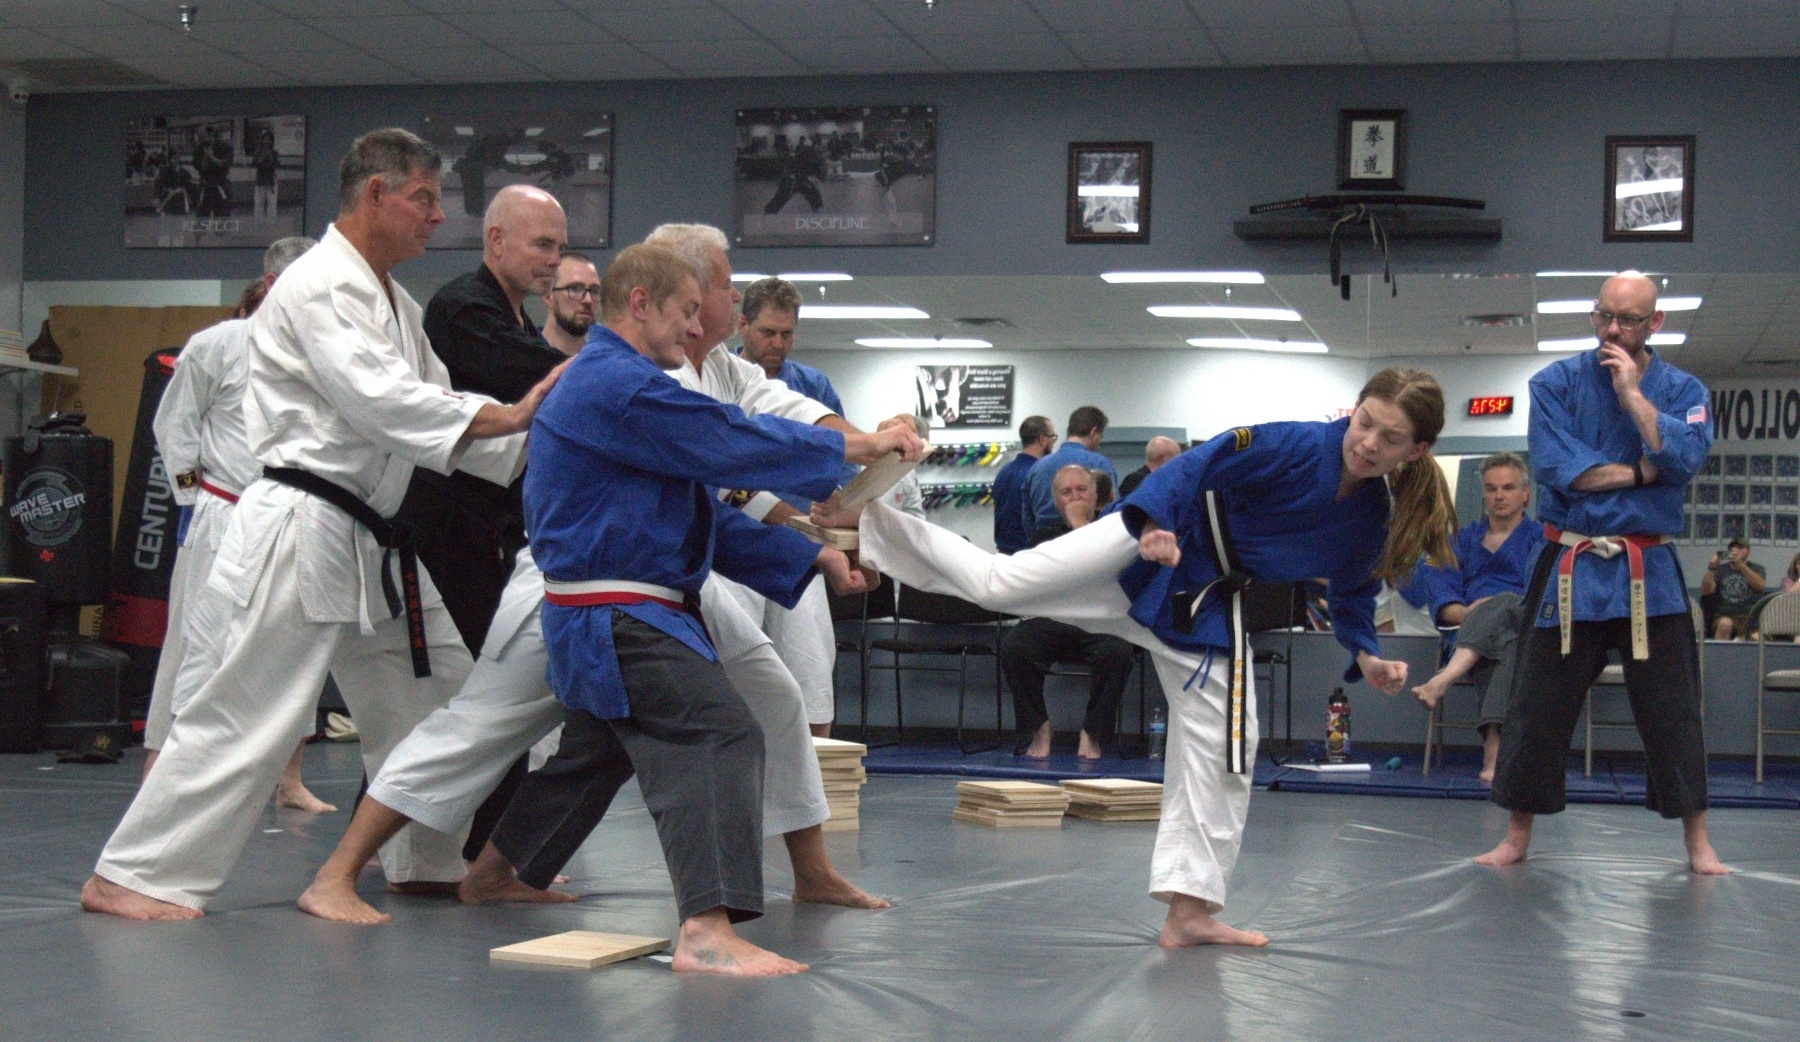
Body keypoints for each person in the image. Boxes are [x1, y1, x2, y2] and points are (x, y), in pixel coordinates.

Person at [300, 244, 918, 973]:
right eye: (687, 311)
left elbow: (696, 517)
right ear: (641, 304)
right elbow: (725, 437)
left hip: (618, 607)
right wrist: (854, 445)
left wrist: (807, 557)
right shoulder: (615, 384)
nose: (697, 329)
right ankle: (706, 931)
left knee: (596, 753)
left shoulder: (632, 384)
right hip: (610, 612)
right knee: (715, 732)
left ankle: (493, 872)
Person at [80, 129, 562, 923]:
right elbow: (382, 401)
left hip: (376, 538)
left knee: (441, 695)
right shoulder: (319, 285)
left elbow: (441, 411)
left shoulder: (395, 303)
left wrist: (532, 441)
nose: (437, 217)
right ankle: (134, 874)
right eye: (424, 198)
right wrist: (508, 414)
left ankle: (426, 859)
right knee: (249, 706)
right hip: (304, 524)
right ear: (375, 193)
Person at [818, 367, 1453, 948]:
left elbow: (1352, 589)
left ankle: (1189, 911)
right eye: (1365, 422)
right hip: (1143, 546)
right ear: (1354, 410)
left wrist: (1368, 655)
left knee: (1229, 747)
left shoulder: (1370, 516)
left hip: (1204, 604)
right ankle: (867, 523)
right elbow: (1196, 464)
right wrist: (1152, 523)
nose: (1368, 442)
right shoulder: (1295, 444)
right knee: (1003, 585)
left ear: (1416, 450)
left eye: (1390, 438)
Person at [1480, 271, 1726, 876]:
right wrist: (1644, 472)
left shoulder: (1685, 389)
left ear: (1654, 323)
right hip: (1568, 561)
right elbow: (1560, 470)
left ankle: (1698, 842)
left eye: (1629, 320)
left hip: (1650, 568)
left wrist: (1634, 397)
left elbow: (1686, 460)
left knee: (1674, 709)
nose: (1612, 330)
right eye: (1603, 316)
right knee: (1537, 704)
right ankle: (1516, 835)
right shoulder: (1554, 383)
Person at [391, 184, 570, 859]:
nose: (553, 260)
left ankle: (471, 855)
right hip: (438, 534)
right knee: (485, 698)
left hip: (482, 531)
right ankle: (478, 856)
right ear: (496, 240)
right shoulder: (463, 308)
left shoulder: (512, 319)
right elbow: (534, 377)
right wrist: (619, 369)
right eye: (542, 244)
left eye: (559, 247)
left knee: (482, 699)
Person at [146, 236, 328, 813]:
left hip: (296, 514)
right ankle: (165, 776)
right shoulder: (219, 344)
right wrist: (192, 499)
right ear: (272, 284)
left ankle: (288, 778)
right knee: (197, 646)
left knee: (296, 648)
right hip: (223, 508)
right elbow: (174, 427)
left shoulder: (326, 350)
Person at [1408, 452, 1545, 783]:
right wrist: (1477, 612)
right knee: (1504, 644)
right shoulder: (1458, 541)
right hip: (1470, 631)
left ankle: (1445, 679)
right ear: (1483, 493)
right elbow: (1444, 602)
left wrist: (1493, 607)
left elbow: (1543, 598)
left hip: (1527, 629)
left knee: (1507, 605)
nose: (1499, 496)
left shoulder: (1542, 540)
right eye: (1491, 488)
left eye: (1508, 488)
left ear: (1525, 494)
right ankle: (1495, 751)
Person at [1001, 464, 1136, 759]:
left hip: (1101, 622)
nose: (1075, 497)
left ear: (1095, 494)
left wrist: (1080, 526)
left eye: (1081, 489)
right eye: (1066, 492)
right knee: (1015, 648)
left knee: (1119, 652)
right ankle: (1039, 728)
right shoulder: (1044, 538)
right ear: (1056, 501)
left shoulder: (1116, 531)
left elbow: (1104, 572)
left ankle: (1092, 732)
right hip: (1054, 619)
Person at [734, 277, 842, 412]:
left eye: (786, 334)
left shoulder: (815, 387)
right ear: (743, 325)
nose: (778, 345)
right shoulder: (721, 379)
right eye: (768, 332)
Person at [1022, 405, 1117, 540]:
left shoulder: (1037, 467)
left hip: (1046, 543)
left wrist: (1038, 542)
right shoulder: (1100, 464)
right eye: (1100, 437)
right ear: (1093, 432)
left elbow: (1027, 519)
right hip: (1091, 542)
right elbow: (1113, 513)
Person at [993, 415, 1055, 554]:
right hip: (1028, 554)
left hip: (1003, 553)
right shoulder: (1039, 474)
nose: (1053, 442)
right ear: (1042, 439)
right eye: (1052, 437)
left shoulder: (1004, 471)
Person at [1700, 538, 1764, 640]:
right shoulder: (1721, 569)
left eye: (1740, 548)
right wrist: (1712, 568)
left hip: (1749, 616)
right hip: (1724, 615)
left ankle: (1740, 640)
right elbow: (1706, 591)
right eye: (1732, 548)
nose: (1735, 551)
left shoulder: (1757, 568)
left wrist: (1742, 566)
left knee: (1757, 636)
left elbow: (1759, 585)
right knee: (1725, 624)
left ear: (1748, 552)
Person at [541, 252, 600, 355]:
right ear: (548, 296)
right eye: (575, 289)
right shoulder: (522, 356)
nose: (588, 300)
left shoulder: (603, 361)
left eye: (594, 291)